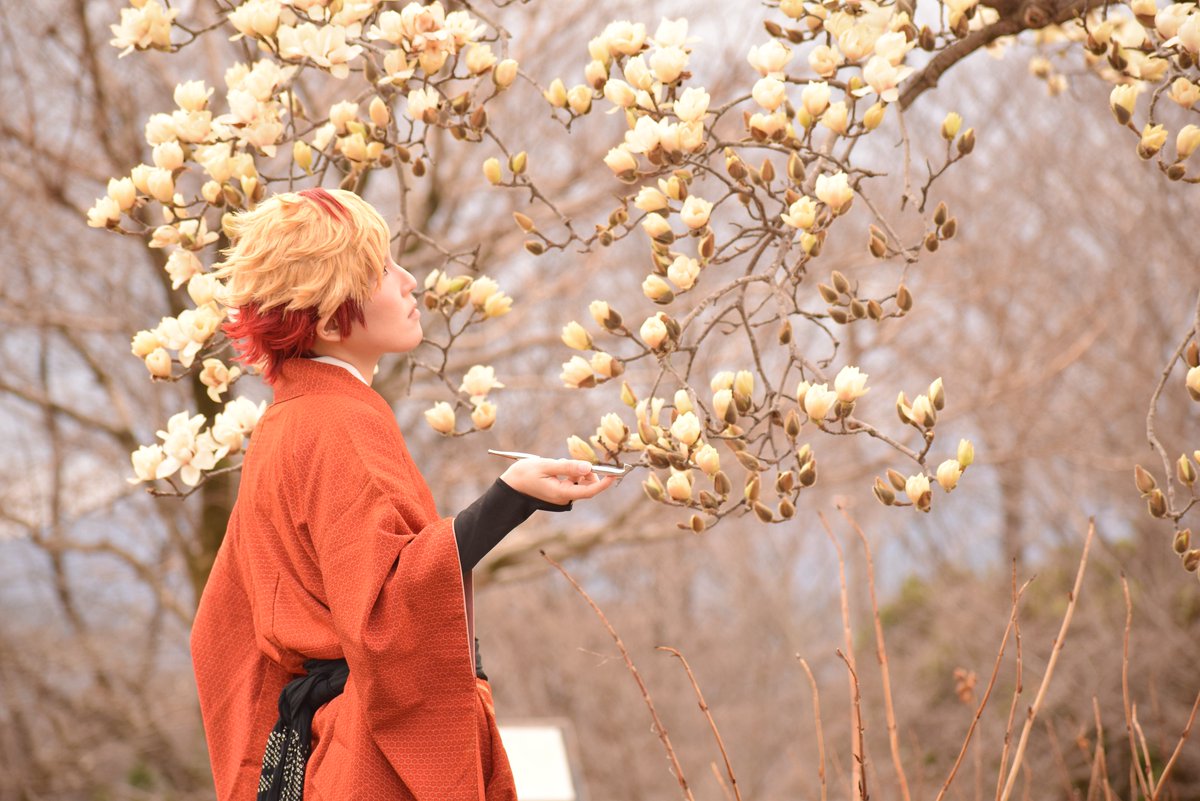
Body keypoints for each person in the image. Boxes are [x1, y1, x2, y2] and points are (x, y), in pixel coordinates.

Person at [190, 187, 616, 801]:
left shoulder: (283, 424)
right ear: (333, 315)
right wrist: (509, 499)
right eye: (382, 270)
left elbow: (220, 629)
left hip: (311, 762)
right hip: (367, 766)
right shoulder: (341, 422)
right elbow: (388, 606)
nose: (410, 279)